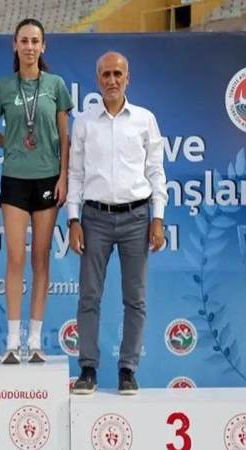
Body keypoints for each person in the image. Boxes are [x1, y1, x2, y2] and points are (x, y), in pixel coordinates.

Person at [67, 51, 168, 395]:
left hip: (137, 218)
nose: (112, 80)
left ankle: (128, 370)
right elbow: (75, 174)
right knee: (89, 296)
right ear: (98, 79)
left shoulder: (144, 120)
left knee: (135, 299)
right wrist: (73, 219)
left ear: (128, 78)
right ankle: (88, 369)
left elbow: (156, 171)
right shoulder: (84, 122)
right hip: (94, 218)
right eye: (106, 74)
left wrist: (158, 218)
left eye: (117, 74)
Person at [0, 18, 73, 364]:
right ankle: (12, 339)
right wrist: (10, 144)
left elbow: (64, 137)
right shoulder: (4, 86)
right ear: (15, 45)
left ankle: (35, 340)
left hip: (48, 179)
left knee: (40, 258)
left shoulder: (56, 85)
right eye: (24, 41)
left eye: (35, 41)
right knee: (15, 258)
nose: (29, 47)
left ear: (43, 46)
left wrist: (63, 176)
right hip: (14, 179)